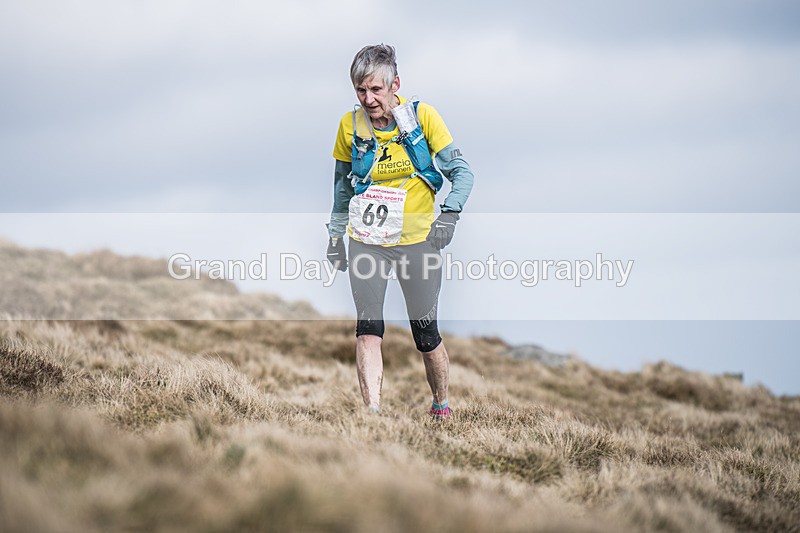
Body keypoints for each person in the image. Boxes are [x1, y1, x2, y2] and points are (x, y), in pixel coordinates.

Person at [326, 44, 474, 419]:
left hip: (417, 242)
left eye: (376, 89)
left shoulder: (422, 117)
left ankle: (441, 403)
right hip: (367, 241)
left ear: (395, 84)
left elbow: (463, 173)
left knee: (425, 334)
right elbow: (342, 188)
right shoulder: (350, 125)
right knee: (367, 330)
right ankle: (372, 415)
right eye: (361, 90)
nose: (368, 99)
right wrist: (334, 238)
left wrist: (450, 215)